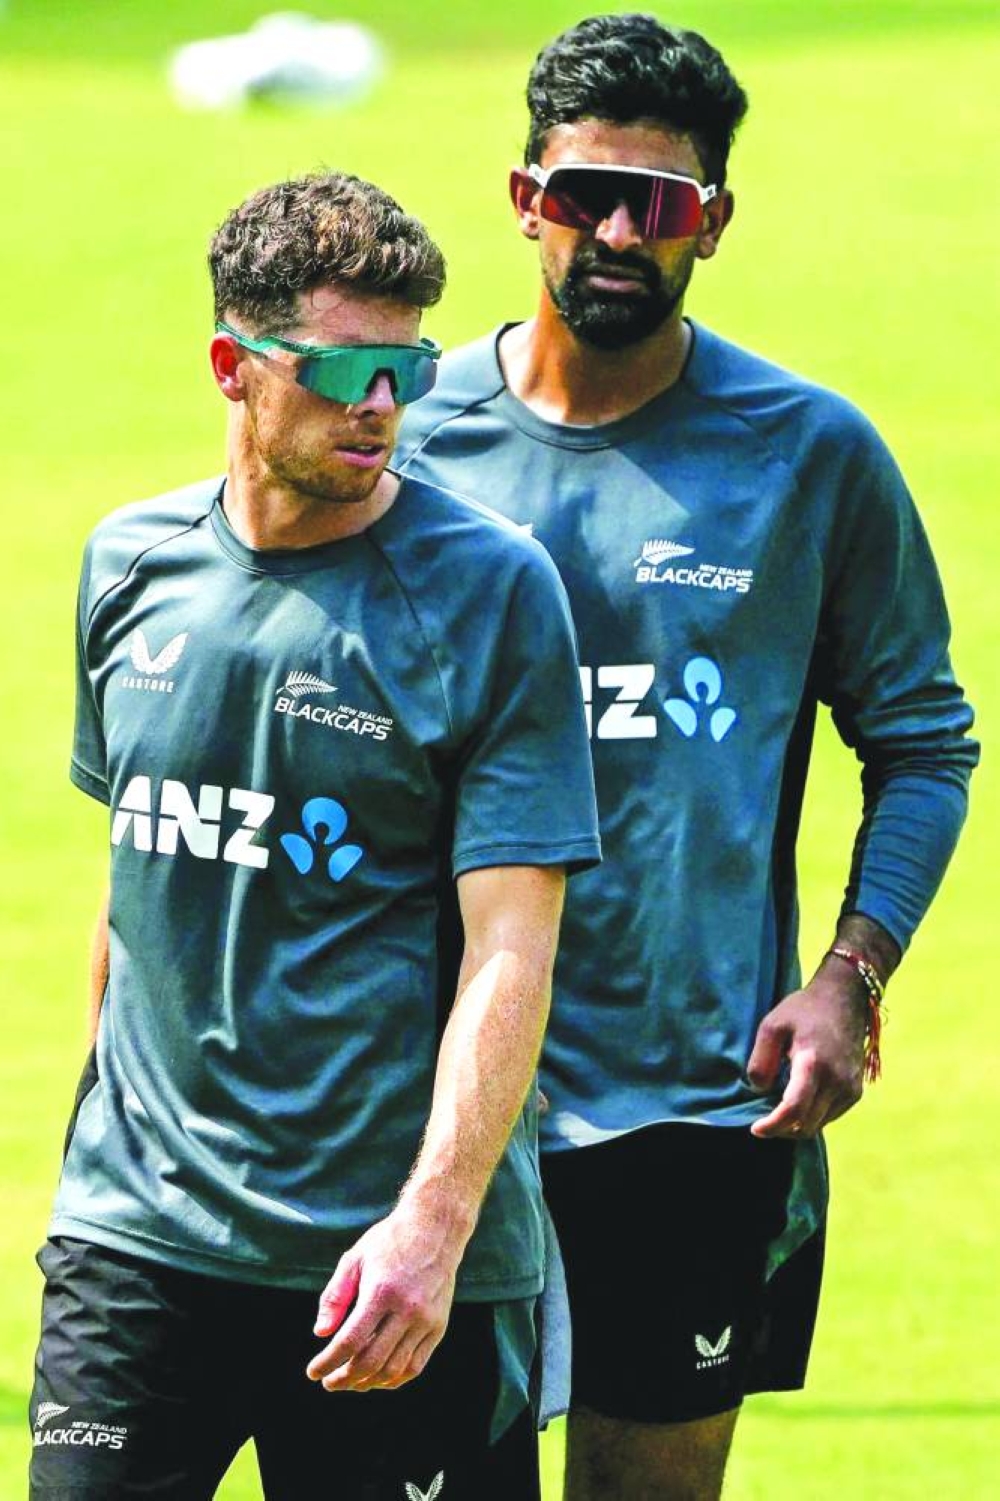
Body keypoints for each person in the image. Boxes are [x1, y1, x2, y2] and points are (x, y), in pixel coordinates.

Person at [395, 14, 979, 1500]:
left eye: (655, 205)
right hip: (417, 1101)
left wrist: (850, 976)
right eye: (583, 193)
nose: (614, 234)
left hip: (693, 1104)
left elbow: (923, 740)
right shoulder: (405, 442)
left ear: (711, 222)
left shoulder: (810, 455)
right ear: (523, 197)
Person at [28, 170, 601, 1501]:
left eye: (407, 367)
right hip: (138, 1243)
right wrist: (92, 1164)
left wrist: (434, 1227)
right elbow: (137, 890)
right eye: (342, 369)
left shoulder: (492, 593)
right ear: (233, 367)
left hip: (385, 1268)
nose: (381, 402)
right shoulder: (129, 565)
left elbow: (511, 948)